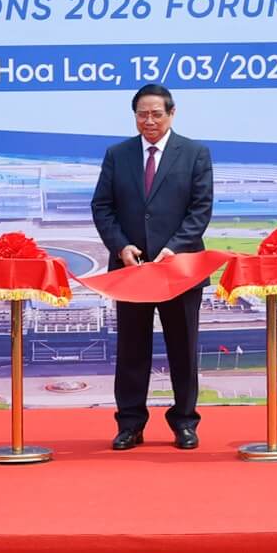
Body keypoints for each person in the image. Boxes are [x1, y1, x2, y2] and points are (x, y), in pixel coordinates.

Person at [90, 83, 214, 450]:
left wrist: (173, 248)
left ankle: (185, 423)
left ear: (172, 114)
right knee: (132, 350)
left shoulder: (194, 153)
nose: (149, 121)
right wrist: (121, 246)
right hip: (132, 270)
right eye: (142, 114)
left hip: (180, 270)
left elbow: (200, 209)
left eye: (156, 114)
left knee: (183, 350)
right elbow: (102, 206)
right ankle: (130, 424)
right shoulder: (118, 154)